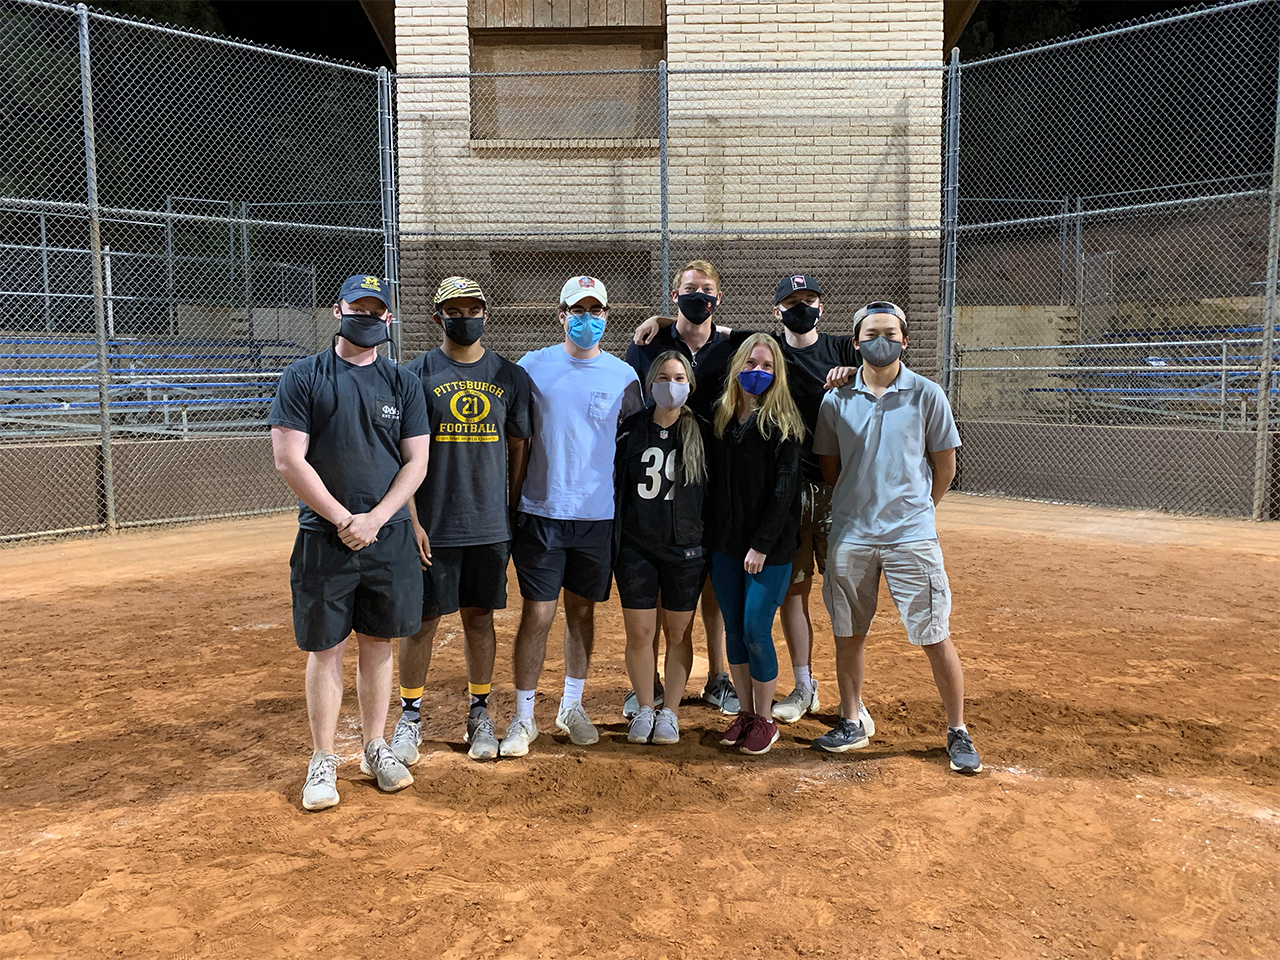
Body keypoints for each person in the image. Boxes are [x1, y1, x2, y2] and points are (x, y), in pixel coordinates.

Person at [632, 273, 860, 727]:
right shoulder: (733, 397)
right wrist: (664, 317)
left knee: (840, 601)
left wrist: (855, 371)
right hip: (741, 521)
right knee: (779, 603)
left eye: (809, 300)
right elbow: (725, 335)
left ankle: (846, 703)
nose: (801, 308)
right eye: (792, 302)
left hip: (827, 492)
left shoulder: (839, 349)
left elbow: (884, 359)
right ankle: (752, 695)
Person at [269, 274, 432, 811]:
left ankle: (375, 746)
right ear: (338, 310)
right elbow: (289, 459)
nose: (366, 316)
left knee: (378, 642)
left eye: (375, 309)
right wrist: (345, 519)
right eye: (356, 307)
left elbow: (417, 461)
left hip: (386, 538)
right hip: (325, 536)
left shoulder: (402, 382)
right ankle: (322, 758)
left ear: (388, 318)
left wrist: (380, 518)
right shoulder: (304, 376)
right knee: (326, 648)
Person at [812, 301, 982, 775]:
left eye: (890, 332)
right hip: (851, 532)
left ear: (905, 341)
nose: (880, 339)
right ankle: (851, 718)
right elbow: (831, 467)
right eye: (871, 333)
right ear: (856, 342)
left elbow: (944, 465)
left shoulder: (927, 394)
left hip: (910, 534)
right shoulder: (836, 398)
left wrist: (919, 509)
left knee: (933, 633)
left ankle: (957, 729)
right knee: (848, 632)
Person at [391, 277, 532, 765]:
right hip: (434, 524)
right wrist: (411, 519)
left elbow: (519, 447)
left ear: (487, 314)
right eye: (454, 310)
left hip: (489, 524)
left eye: (473, 308)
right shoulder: (415, 376)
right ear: (438, 318)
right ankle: (410, 715)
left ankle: (479, 710)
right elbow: (401, 457)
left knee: (479, 619)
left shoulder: (508, 376)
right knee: (421, 622)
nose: (464, 316)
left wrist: (510, 510)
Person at [500, 276, 644, 757]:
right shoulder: (532, 366)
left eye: (595, 310)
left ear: (608, 315)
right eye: (576, 310)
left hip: (596, 517)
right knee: (538, 614)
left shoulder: (623, 376)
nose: (587, 319)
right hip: (541, 511)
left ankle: (571, 705)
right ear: (560, 314)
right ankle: (523, 718)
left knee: (582, 613)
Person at [624, 260, 736, 716]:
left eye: (706, 290)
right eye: (689, 289)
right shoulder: (651, 342)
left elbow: (764, 343)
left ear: (718, 298)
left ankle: (719, 676)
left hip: (711, 469)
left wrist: (676, 317)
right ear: (675, 295)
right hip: (658, 474)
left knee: (705, 586)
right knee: (650, 589)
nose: (698, 296)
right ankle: (646, 685)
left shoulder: (731, 345)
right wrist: (664, 322)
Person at [705, 333, 804, 756]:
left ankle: (765, 718)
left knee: (755, 630)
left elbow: (785, 492)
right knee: (733, 629)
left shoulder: (784, 425)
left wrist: (762, 545)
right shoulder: (721, 418)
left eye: (766, 366)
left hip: (769, 548)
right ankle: (744, 713)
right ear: (736, 368)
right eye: (750, 364)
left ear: (777, 373)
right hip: (726, 544)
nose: (757, 372)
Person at [614, 351, 709, 745]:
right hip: (637, 547)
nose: (673, 383)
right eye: (665, 376)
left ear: (690, 383)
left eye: (680, 376)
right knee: (639, 632)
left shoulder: (703, 431)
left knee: (678, 633)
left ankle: (670, 710)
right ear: (651, 383)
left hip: (685, 550)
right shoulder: (630, 429)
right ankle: (645, 706)